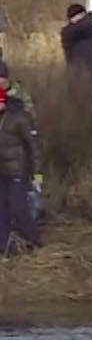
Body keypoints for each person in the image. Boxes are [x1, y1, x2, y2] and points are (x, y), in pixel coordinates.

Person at [0, 75, 44, 255]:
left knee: (18, 208)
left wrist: (37, 174)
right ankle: (5, 246)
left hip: (18, 171)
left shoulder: (19, 118)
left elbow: (35, 147)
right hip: (1, 171)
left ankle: (33, 240)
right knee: (1, 210)